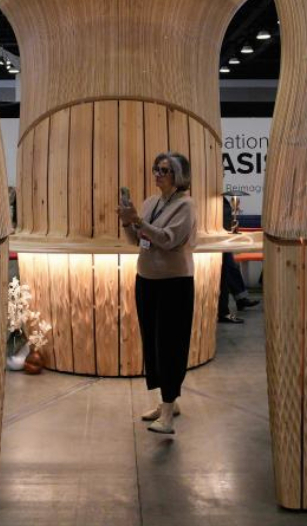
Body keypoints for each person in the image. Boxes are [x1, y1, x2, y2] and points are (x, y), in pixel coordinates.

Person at [117, 151, 196, 435]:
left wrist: (139, 222)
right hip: (147, 279)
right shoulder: (151, 203)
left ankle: (168, 413)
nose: (158, 175)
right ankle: (167, 403)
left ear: (179, 176)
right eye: (156, 169)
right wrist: (128, 222)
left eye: (164, 170)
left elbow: (167, 240)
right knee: (152, 343)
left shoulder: (186, 206)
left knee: (171, 345)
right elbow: (136, 241)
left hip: (174, 283)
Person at [218, 195, 258, 323]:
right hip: (220, 239)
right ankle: (226, 310)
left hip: (222, 238)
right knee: (226, 270)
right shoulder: (215, 197)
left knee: (230, 267)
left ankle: (239, 300)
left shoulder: (219, 198)